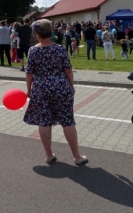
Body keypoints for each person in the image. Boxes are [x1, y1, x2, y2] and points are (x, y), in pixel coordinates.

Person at [23, 19, 88, 166]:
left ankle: (49, 154)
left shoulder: (33, 50)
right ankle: (77, 156)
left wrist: (29, 89)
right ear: (50, 32)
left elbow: (29, 73)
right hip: (61, 87)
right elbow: (68, 69)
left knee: (44, 121)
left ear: (37, 33)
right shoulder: (59, 49)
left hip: (41, 89)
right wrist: (71, 86)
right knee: (68, 121)